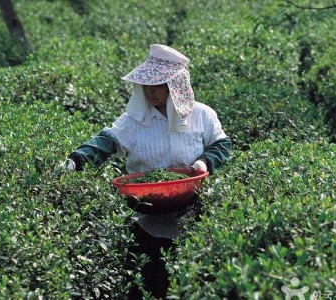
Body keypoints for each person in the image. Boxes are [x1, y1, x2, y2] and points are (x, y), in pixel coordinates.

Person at [61, 44, 231, 299]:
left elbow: (221, 144)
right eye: (146, 86)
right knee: (149, 286)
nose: (150, 91)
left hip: (193, 219)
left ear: (174, 85)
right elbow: (107, 140)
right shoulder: (134, 120)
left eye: (157, 85)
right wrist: (76, 160)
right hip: (147, 222)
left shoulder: (201, 115)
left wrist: (204, 163)